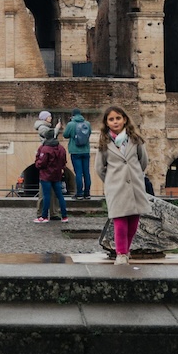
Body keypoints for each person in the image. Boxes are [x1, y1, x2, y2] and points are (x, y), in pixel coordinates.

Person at [97, 105, 150, 266]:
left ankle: (126, 250)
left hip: (134, 185)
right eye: (111, 119)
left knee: (133, 221)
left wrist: (134, 175)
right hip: (116, 187)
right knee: (119, 221)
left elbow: (143, 161)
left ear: (124, 119)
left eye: (118, 118)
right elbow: (99, 168)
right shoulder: (104, 142)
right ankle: (121, 254)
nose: (115, 122)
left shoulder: (135, 139)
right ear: (107, 123)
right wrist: (112, 180)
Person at [34, 124, 69, 223]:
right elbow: (64, 161)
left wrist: (37, 163)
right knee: (60, 196)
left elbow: (41, 163)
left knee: (46, 196)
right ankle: (65, 216)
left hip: (46, 175)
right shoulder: (61, 148)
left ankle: (44, 217)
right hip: (57, 175)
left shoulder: (45, 149)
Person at [63, 109, 93, 199]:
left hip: (75, 151)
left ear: (72, 115)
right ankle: (87, 193)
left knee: (78, 173)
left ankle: (79, 193)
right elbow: (89, 133)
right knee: (86, 172)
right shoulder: (87, 123)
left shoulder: (71, 124)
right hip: (86, 150)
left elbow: (65, 135)